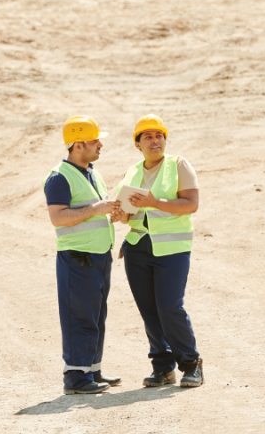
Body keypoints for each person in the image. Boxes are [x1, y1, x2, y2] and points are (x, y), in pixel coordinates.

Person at [116, 114, 203, 388]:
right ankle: (162, 367)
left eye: (159, 136)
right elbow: (128, 214)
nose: (155, 141)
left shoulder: (179, 165)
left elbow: (191, 204)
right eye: (148, 137)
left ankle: (191, 363)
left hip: (172, 249)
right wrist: (119, 214)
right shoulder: (132, 172)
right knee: (149, 311)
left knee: (169, 307)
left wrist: (154, 203)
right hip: (137, 248)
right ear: (137, 144)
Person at [43, 115, 125, 395]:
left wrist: (110, 213)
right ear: (78, 145)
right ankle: (76, 377)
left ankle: (92, 370)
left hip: (99, 256)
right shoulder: (59, 177)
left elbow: (92, 211)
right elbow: (58, 218)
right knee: (79, 316)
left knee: (95, 316)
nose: (100, 144)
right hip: (78, 258)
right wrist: (95, 210)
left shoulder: (92, 172)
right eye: (94, 141)